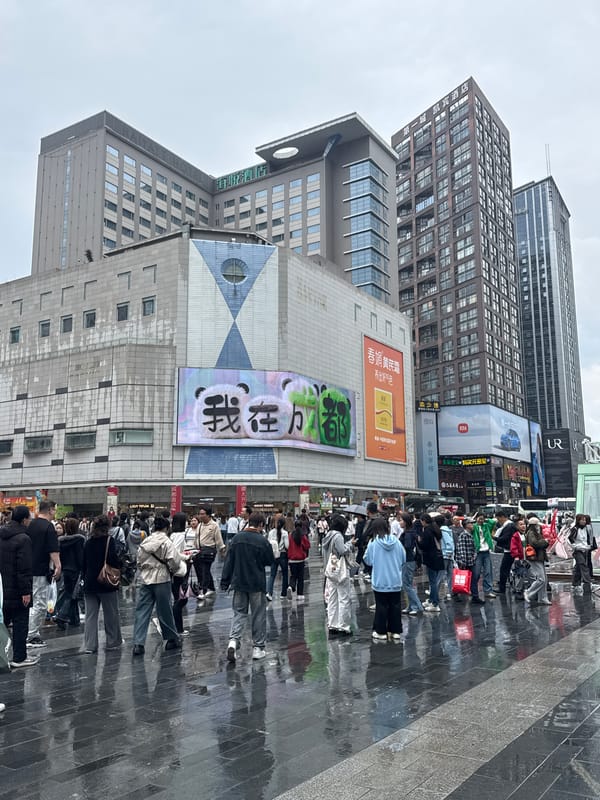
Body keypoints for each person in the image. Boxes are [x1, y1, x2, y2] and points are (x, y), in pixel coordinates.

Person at [220, 511, 274, 662]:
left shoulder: (236, 539)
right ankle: (258, 648)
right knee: (258, 615)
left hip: (238, 583)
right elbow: (269, 560)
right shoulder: (262, 541)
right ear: (261, 525)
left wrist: (225, 581)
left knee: (239, 613)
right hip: (256, 583)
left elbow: (228, 562)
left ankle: (233, 641)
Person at [133, 514, 184, 655]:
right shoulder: (166, 542)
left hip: (145, 579)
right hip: (162, 578)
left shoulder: (146, 541)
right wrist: (171, 570)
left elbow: (138, 560)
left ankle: (138, 643)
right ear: (167, 528)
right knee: (164, 610)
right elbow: (174, 561)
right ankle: (171, 639)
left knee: (142, 611)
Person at [0, 506, 38, 667]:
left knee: (3, 621)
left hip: (2, 588)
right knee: (20, 621)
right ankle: (19, 657)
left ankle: (2, 654)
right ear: (24, 520)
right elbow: (24, 568)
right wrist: (26, 591)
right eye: (29, 518)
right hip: (17, 588)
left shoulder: (1, 534)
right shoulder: (23, 539)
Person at [81, 515, 123, 653]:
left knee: (90, 616)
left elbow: (84, 563)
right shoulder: (110, 541)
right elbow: (114, 560)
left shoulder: (88, 542)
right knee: (111, 613)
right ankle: (113, 642)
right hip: (106, 582)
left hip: (89, 582)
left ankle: (90, 645)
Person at [363, 517, 406, 641]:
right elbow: (403, 558)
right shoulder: (396, 542)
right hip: (395, 580)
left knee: (381, 606)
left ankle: (381, 631)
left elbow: (368, 560)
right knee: (395, 606)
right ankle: (395, 631)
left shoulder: (374, 543)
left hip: (380, 581)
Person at [25, 500, 61, 648]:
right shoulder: (48, 527)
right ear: (51, 510)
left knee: (31, 602)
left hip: (28, 568)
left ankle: (28, 631)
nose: (55, 513)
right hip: (41, 569)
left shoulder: (31, 524)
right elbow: (53, 549)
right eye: (55, 510)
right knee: (39, 603)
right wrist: (58, 565)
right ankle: (31, 635)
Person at [322, 514, 354, 635]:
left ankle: (332, 624)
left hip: (330, 571)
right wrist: (350, 544)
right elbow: (342, 551)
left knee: (332, 598)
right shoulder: (338, 536)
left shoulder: (327, 536)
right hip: (340, 571)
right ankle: (343, 626)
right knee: (344, 598)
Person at [54, 517, 85, 629]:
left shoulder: (60, 540)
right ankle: (61, 616)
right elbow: (80, 557)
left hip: (64, 569)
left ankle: (74, 619)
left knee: (71, 593)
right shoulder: (80, 539)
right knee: (71, 594)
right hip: (75, 570)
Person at [192, 505, 226, 600]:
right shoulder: (200, 525)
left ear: (208, 515)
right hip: (199, 551)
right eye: (200, 514)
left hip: (209, 551)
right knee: (203, 570)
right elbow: (196, 538)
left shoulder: (214, 525)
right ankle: (211, 588)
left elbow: (218, 539)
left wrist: (222, 549)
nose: (201, 516)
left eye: (203, 514)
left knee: (205, 570)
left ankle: (203, 590)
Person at [169, 511, 191, 636]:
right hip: (179, 571)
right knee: (181, 599)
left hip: (173, 571)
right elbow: (176, 553)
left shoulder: (172, 535)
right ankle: (178, 628)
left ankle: (177, 627)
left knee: (178, 597)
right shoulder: (180, 535)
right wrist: (187, 557)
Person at [418, 514, 445, 612]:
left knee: (432, 581)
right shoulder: (436, 530)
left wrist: (418, 541)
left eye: (421, 521)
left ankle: (435, 603)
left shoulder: (427, 531)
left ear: (424, 521)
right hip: (438, 557)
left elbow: (424, 545)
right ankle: (431, 600)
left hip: (430, 558)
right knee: (433, 580)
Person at [399, 512, 424, 615]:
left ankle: (417, 606)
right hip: (409, 560)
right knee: (407, 584)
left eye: (401, 520)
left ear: (406, 522)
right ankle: (411, 606)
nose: (399, 522)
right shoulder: (410, 532)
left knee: (407, 585)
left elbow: (408, 546)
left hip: (407, 560)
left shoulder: (408, 534)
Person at [524, 516, 551, 605]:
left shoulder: (534, 533)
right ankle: (529, 592)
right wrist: (545, 541)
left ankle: (542, 598)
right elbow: (535, 543)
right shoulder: (531, 533)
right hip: (535, 558)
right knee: (541, 579)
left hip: (539, 557)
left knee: (544, 579)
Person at [471, 513, 496, 604]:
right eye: (479, 519)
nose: (480, 520)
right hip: (478, 552)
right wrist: (474, 519)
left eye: (482, 519)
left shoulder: (486, 526)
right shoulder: (473, 527)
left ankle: (488, 590)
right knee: (476, 573)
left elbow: (493, 522)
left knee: (488, 571)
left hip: (486, 551)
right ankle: (474, 591)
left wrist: (485, 519)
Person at [569, 513, 595, 595]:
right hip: (578, 550)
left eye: (584, 520)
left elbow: (587, 538)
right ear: (578, 520)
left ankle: (575, 584)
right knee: (583, 565)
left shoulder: (586, 528)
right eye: (582, 520)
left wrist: (588, 546)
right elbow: (570, 539)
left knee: (578, 567)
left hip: (585, 549)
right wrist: (576, 547)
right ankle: (588, 583)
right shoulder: (575, 529)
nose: (584, 521)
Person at [494, 510, 518, 595]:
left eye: (498, 519)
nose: (498, 521)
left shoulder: (509, 526)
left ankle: (502, 589)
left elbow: (505, 538)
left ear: (503, 517)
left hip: (509, 551)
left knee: (504, 569)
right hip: (511, 550)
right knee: (507, 569)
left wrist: (495, 538)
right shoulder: (510, 525)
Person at [266, 517, 289, 601]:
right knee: (285, 574)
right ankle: (283, 594)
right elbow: (287, 546)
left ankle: (269, 593)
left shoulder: (271, 532)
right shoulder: (285, 533)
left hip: (273, 555)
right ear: (283, 524)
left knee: (272, 575)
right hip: (282, 555)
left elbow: (268, 543)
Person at [287, 524, 310, 601]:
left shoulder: (290, 535)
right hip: (300, 559)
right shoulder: (302, 536)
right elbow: (307, 545)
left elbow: (287, 546)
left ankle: (291, 586)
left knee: (293, 575)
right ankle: (300, 594)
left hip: (292, 559)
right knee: (300, 577)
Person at [440, 514, 455, 601]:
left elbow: (448, 542)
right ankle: (450, 591)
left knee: (442, 574)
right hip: (450, 555)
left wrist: (448, 552)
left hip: (445, 554)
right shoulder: (449, 531)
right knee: (450, 574)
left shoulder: (442, 531)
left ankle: (445, 592)